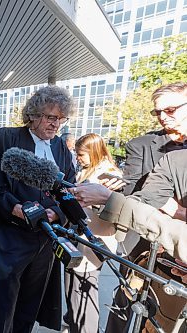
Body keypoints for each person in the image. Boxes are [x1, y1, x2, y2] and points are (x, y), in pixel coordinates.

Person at [0, 85, 76, 332]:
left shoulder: (60, 148)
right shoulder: (6, 138)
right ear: (33, 114)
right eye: (50, 117)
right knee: (3, 308)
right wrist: (15, 209)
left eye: (61, 119)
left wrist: (59, 213)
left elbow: (69, 189)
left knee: (29, 307)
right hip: (11, 239)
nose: (56, 125)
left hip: (44, 241)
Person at [105, 81, 187, 332]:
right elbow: (135, 193)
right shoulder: (143, 145)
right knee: (129, 301)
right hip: (147, 243)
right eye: (158, 112)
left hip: (180, 244)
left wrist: (178, 211)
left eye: (170, 110)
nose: (163, 117)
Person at [63, 133, 122, 333]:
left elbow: (115, 212)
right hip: (80, 240)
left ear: (94, 152)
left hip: (92, 242)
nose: (78, 158)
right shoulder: (89, 170)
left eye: (81, 154)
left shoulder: (109, 176)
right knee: (75, 293)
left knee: (84, 296)